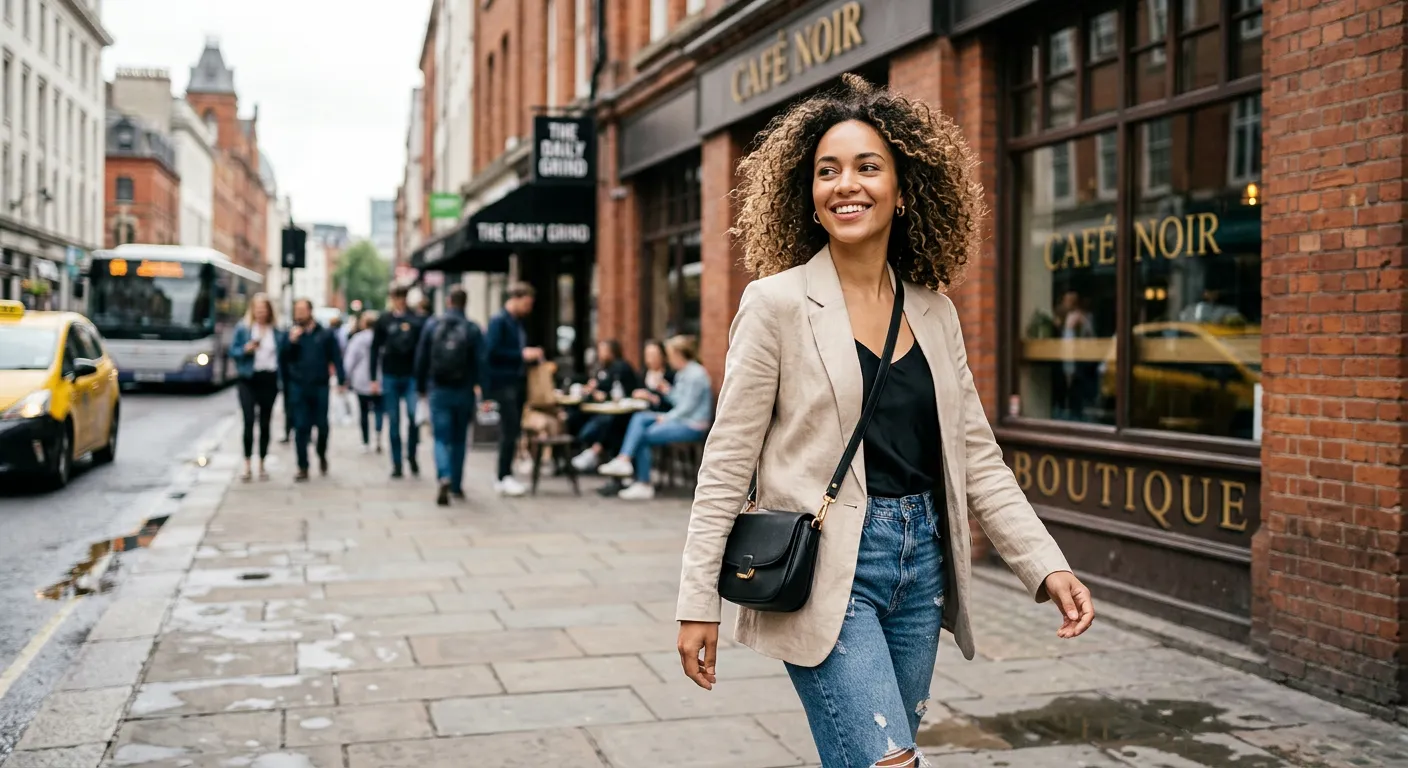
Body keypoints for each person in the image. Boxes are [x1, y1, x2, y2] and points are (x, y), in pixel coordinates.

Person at [673, 75, 1095, 768]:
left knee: (873, 756)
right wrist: (698, 602)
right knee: (888, 762)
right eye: (828, 171)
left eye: (868, 168)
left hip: (921, 563)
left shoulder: (934, 311)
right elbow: (726, 460)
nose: (847, 185)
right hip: (825, 566)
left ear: (904, 192)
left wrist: (1044, 566)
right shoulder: (775, 304)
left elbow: (976, 457)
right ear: (807, 195)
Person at [597, 335, 712, 500]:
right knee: (640, 418)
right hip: (680, 419)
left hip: (692, 425)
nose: (668, 359)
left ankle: (643, 482)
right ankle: (624, 460)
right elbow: (679, 401)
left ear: (679, 354)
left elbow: (687, 408)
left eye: (670, 355)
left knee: (643, 435)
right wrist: (666, 391)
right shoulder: (683, 373)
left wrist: (666, 418)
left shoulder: (696, 375)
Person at [415, 285, 487, 506]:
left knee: (440, 437)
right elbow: (481, 362)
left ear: (448, 301)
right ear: (465, 303)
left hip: (439, 389)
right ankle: (456, 485)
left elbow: (421, 358)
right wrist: (482, 387)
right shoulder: (473, 328)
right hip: (464, 390)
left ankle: (443, 475)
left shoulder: (433, 325)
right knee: (459, 438)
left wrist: (420, 386)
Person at [485, 282, 543, 497]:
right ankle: (503, 476)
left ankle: (505, 474)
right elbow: (491, 351)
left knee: (513, 428)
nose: (528, 309)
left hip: (516, 381)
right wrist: (521, 355)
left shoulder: (516, 323)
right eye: (526, 303)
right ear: (516, 299)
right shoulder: (499, 321)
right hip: (504, 382)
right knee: (509, 429)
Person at [280, 298, 348, 482]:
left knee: (322, 426)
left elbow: (335, 357)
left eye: (302, 310)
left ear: (310, 311)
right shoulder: (291, 334)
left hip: (320, 386)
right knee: (301, 427)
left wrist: (342, 378)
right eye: (296, 311)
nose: (299, 314)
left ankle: (321, 453)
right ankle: (303, 466)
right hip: (298, 386)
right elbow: (283, 359)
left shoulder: (324, 334)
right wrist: (291, 343)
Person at [370, 285, 427, 478]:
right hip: (390, 375)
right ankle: (396, 463)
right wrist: (373, 378)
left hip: (411, 375)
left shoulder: (416, 319)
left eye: (402, 297)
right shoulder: (384, 320)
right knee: (393, 421)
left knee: (413, 418)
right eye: (397, 297)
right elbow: (375, 349)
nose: (400, 300)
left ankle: (411, 455)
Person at [229, 293, 284, 482]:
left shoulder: (276, 331)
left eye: (264, 309)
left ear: (269, 311)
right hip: (248, 379)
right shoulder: (243, 329)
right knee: (249, 420)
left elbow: (283, 355)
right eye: (257, 309)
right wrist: (245, 349)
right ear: (252, 310)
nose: (260, 313)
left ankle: (261, 463)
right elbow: (232, 351)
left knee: (265, 423)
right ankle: (246, 464)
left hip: (268, 379)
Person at [569, 339, 639, 472]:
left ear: (612, 352)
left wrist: (599, 392)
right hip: (608, 411)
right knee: (574, 416)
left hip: (624, 413)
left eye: (603, 351)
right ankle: (589, 454)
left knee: (608, 424)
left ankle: (594, 453)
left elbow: (615, 390)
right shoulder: (603, 368)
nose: (600, 354)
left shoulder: (620, 367)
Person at [343, 311, 384, 454]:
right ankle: (378, 436)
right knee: (379, 410)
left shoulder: (358, 339)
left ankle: (366, 441)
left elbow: (350, 360)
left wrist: (345, 377)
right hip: (380, 380)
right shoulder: (382, 338)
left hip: (360, 380)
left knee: (364, 412)